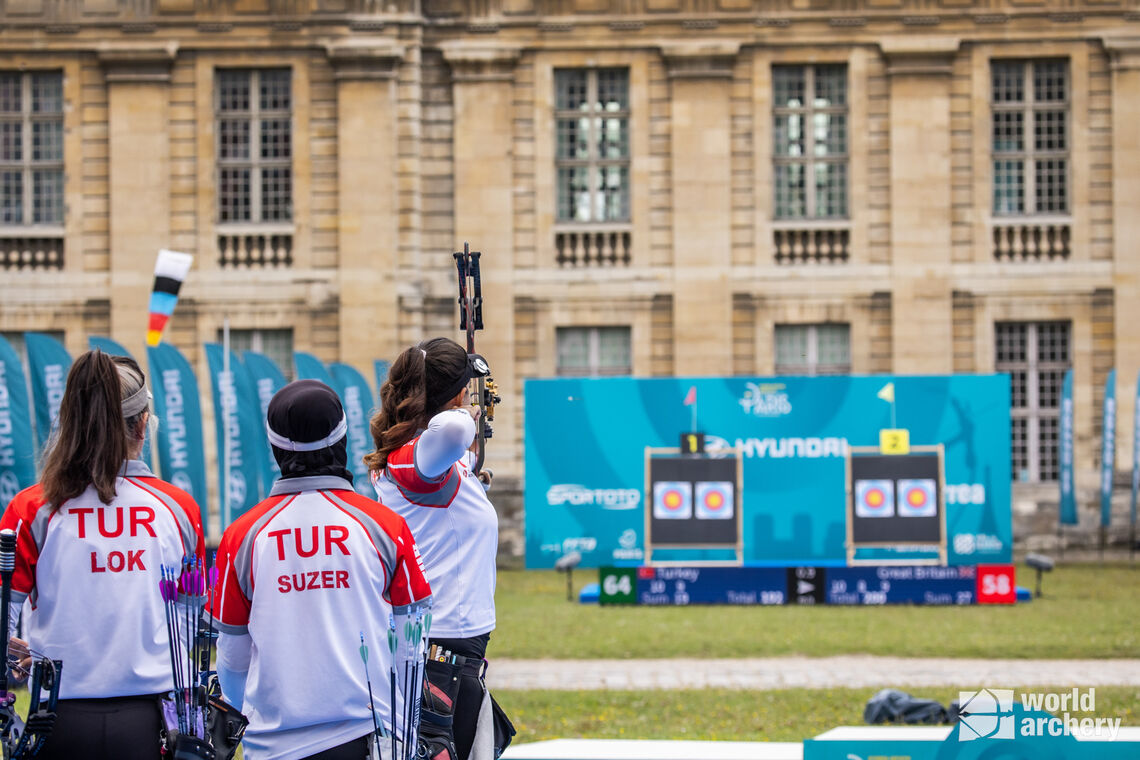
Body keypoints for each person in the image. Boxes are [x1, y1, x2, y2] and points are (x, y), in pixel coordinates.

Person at [208, 379, 432, 760]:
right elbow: (413, 641)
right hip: (369, 739)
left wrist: (238, 717)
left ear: (275, 446)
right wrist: (405, 727)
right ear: (342, 438)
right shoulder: (383, 525)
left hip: (273, 747)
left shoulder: (241, 535)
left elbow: (231, 656)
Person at [0, 349, 206, 760]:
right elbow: (193, 615)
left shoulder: (32, 508)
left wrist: (15, 652)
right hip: (151, 722)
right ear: (143, 423)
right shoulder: (181, 509)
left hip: (56, 720)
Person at [366, 337, 500, 760]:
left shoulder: (427, 459)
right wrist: (466, 413)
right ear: (454, 396)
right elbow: (457, 430)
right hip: (442, 643)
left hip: (448, 640)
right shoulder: (413, 458)